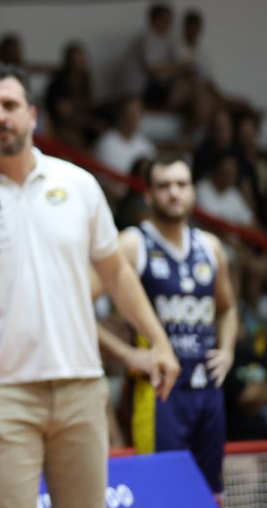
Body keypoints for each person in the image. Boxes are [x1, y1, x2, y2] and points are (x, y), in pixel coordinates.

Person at [0, 62, 179, 508]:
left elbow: (116, 273)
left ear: (32, 114)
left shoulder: (78, 184)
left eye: (9, 105)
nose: (0, 116)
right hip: (1, 390)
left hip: (80, 384)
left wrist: (159, 341)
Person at [94, 155, 236, 503]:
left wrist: (228, 350)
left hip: (208, 390)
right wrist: (128, 354)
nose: (174, 193)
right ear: (148, 195)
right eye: (164, 186)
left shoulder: (210, 247)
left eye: (181, 185)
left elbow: (228, 307)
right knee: (162, 495)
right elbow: (77, 304)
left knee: (210, 495)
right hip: (158, 394)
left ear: (193, 192)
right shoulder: (132, 243)